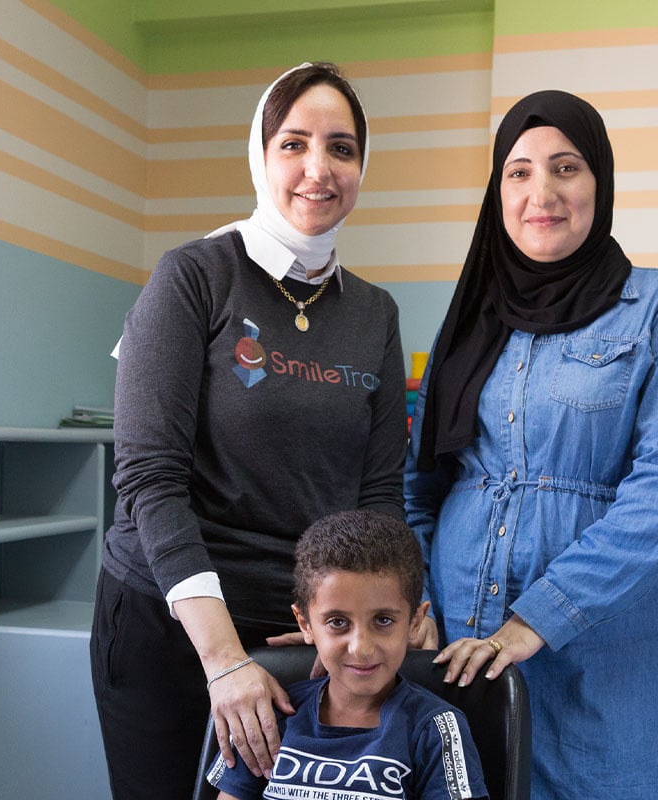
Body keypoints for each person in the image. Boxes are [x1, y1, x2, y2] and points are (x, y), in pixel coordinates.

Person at [91, 62, 408, 800]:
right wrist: (224, 660)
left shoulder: (375, 314)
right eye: (293, 143)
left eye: (342, 148)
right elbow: (148, 480)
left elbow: (379, 494)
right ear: (260, 157)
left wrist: (371, 622)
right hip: (172, 624)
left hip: (301, 638)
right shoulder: (194, 278)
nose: (318, 169)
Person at [405, 90, 658, 799]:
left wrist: (537, 619)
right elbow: (418, 486)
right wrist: (418, 604)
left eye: (565, 167)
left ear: (599, 183)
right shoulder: (466, 324)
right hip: (459, 642)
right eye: (517, 173)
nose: (540, 192)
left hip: (606, 642)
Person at [207, 509, 489, 800]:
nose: (361, 648)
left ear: (415, 621)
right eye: (338, 622)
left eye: (383, 620)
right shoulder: (270, 717)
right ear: (305, 624)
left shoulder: (435, 728)